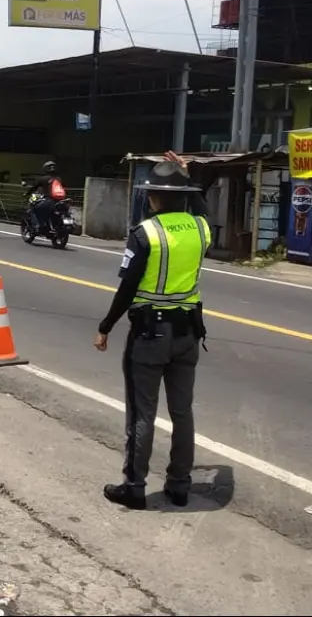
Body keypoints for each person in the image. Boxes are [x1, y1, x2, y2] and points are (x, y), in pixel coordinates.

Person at [94, 160, 211, 511]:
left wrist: (106, 326)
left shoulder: (146, 233)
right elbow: (201, 205)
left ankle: (135, 486)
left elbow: (128, 287)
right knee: (182, 412)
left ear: (155, 198)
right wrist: (187, 176)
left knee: (143, 413)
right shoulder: (201, 229)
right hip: (188, 333)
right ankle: (179, 485)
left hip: (149, 335)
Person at [25, 160, 67, 233]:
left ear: (45, 169)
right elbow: (64, 187)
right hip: (60, 201)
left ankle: (37, 226)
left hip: (49, 201)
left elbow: (34, 187)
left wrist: (26, 193)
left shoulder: (43, 178)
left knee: (34, 209)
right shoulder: (58, 179)